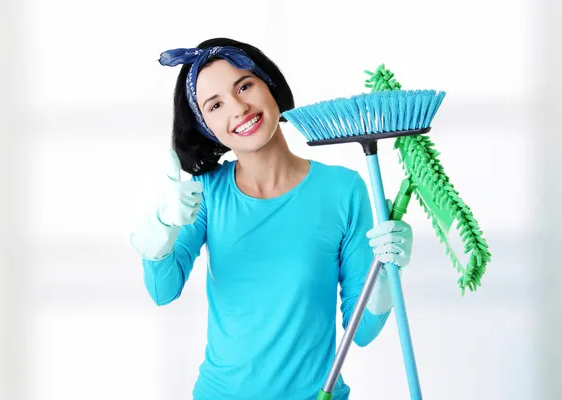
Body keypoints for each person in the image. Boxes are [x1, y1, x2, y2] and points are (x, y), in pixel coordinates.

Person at [130, 37, 414, 400]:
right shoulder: (204, 195)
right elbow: (162, 291)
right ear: (205, 126)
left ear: (270, 86)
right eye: (215, 105)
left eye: (244, 86)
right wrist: (160, 229)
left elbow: (362, 332)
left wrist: (389, 271)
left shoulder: (343, 189)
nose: (238, 108)